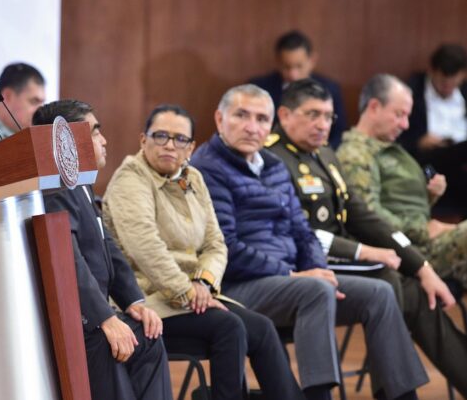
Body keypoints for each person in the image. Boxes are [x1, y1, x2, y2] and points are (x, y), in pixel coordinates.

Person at [190, 84, 428, 400]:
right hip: (236, 287)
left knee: (379, 293)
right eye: (241, 115)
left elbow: (304, 232)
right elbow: (227, 248)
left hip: (289, 283)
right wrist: (296, 276)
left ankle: (401, 398)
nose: (252, 126)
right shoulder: (207, 168)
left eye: (262, 119)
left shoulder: (273, 166)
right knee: (314, 290)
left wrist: (318, 269)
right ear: (219, 119)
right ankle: (319, 397)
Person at [267, 78, 467, 396]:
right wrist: (364, 251)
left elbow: (365, 216)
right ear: (286, 114)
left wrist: (420, 266)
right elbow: (297, 232)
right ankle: (396, 394)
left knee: (418, 292)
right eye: (312, 115)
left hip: (340, 255)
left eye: (328, 116)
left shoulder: (325, 154)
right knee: (386, 279)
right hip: (303, 263)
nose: (322, 125)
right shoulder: (272, 158)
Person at [103, 104, 304, 400]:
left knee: (261, 329)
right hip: (148, 303)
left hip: (193, 297)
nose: (170, 145)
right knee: (229, 328)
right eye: (160, 136)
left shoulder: (193, 177)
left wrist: (204, 283)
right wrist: (187, 292)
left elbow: (215, 243)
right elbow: (145, 247)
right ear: (143, 140)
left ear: (191, 147)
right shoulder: (130, 179)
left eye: (180, 139)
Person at [32, 100, 172, 400]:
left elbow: (108, 245)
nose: (104, 140)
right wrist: (104, 318)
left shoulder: (80, 182)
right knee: (112, 345)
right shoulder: (56, 186)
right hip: (80, 322)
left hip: (98, 315)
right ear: (68, 139)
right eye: (95, 132)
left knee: (148, 338)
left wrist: (132, 300)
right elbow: (67, 259)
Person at [336, 74, 467, 290]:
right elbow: (369, 217)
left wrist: (430, 196)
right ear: (374, 107)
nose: (405, 125)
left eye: (407, 116)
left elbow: (398, 204)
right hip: (407, 251)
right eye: (399, 115)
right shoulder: (356, 154)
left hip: (418, 242)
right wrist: (424, 229)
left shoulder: (384, 146)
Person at [249, 30, 348, 148]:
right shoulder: (260, 88)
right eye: (287, 67)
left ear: (312, 61)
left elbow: (339, 134)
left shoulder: (330, 89)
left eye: (299, 66)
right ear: (278, 62)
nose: (293, 75)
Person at [399, 44, 467, 215]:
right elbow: (395, 138)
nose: (447, 88)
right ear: (431, 71)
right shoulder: (411, 90)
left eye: (453, 83)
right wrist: (419, 142)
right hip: (426, 160)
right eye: (443, 82)